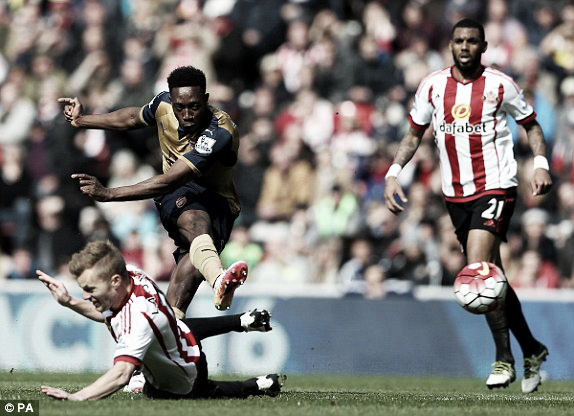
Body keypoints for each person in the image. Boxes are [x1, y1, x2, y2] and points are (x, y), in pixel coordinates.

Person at [383, 19, 552, 394]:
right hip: (455, 195)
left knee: (477, 269)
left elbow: (532, 126)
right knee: (496, 278)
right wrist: (394, 172)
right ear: (450, 45)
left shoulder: (499, 84)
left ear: (484, 46)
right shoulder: (431, 86)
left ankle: (503, 358)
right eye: (458, 40)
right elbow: (414, 134)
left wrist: (540, 164)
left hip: (497, 186)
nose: (464, 46)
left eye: (472, 41)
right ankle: (533, 349)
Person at [58, 66, 248, 318]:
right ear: (171, 100)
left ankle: (169, 346)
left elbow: (169, 179)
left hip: (219, 206)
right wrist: (83, 121)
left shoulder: (219, 131)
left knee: (175, 310)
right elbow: (131, 118)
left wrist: (109, 194)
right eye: (180, 107)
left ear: (206, 100)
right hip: (179, 196)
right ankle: (219, 280)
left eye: (194, 106)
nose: (187, 113)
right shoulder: (162, 104)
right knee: (194, 219)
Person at [37, 240, 284, 400]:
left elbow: (121, 373)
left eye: (90, 288)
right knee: (173, 327)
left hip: (183, 378)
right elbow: (109, 314)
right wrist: (69, 301)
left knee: (191, 391)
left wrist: (76, 397)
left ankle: (258, 385)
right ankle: (242, 321)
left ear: (114, 281)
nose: (85, 295)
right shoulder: (132, 273)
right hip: (183, 339)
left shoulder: (138, 318)